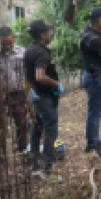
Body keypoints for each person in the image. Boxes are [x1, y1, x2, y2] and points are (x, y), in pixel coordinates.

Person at [24, 19, 64, 182]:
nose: (51, 34)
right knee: (50, 130)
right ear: (42, 35)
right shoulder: (41, 52)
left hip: (37, 97)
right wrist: (56, 83)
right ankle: (48, 169)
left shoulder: (30, 50)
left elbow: (29, 76)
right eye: (48, 31)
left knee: (37, 128)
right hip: (45, 98)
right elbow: (40, 76)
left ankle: (34, 167)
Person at [80, 8, 101, 157]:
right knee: (95, 112)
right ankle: (92, 144)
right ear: (98, 20)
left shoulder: (92, 36)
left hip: (97, 77)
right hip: (96, 78)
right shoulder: (92, 38)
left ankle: (94, 140)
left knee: (97, 111)